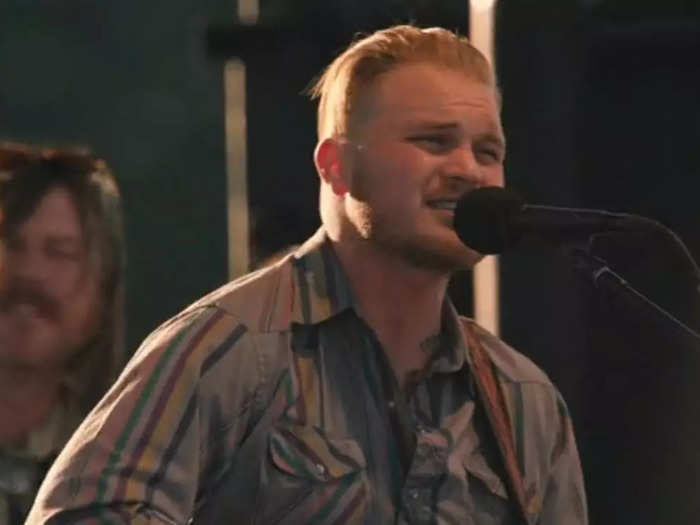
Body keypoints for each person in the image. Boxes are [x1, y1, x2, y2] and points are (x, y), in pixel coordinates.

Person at [27, 25, 587, 524]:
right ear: (336, 166)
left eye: (487, 150)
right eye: (433, 141)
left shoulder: (522, 399)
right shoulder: (230, 348)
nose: (468, 168)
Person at [0, 143, 125, 525]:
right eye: (11, 245)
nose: (30, 273)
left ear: (101, 288)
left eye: (60, 252)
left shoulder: (123, 464)